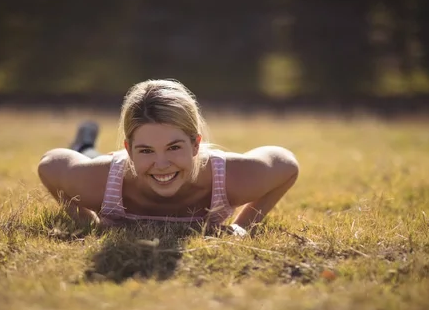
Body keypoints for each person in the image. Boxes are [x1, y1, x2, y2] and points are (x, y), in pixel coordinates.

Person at [38, 79, 299, 237]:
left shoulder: (229, 179)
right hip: (106, 164)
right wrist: (89, 222)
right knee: (85, 152)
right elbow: (50, 164)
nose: (162, 164)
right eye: (146, 150)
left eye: (174, 148)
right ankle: (85, 139)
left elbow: (286, 164)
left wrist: (244, 227)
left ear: (196, 145)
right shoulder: (99, 182)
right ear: (129, 150)